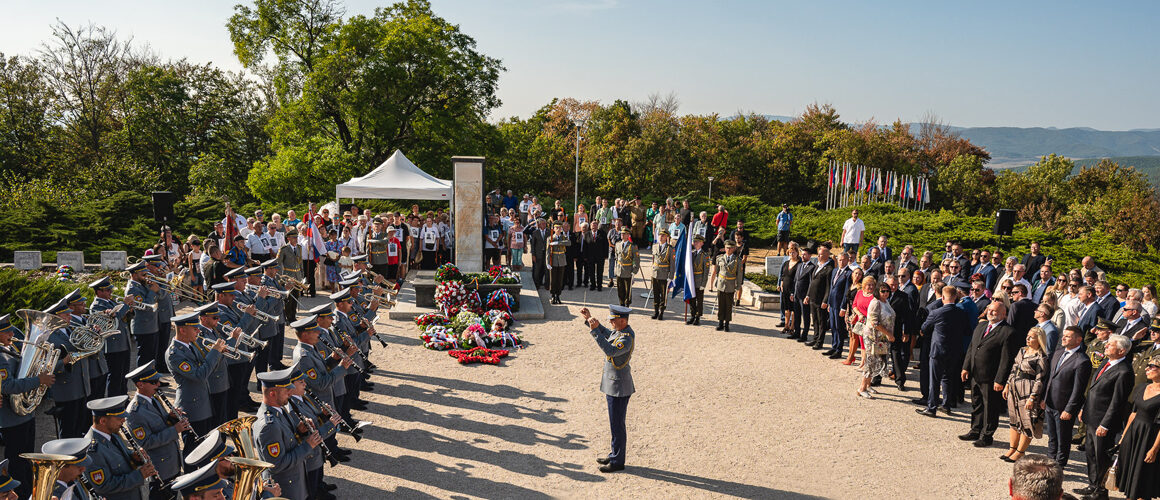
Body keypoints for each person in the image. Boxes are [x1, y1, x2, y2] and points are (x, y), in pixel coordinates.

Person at [1074, 334, 1134, 500]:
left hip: (1103, 422)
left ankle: (1101, 492)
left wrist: (1106, 424)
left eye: (1110, 344)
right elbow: (1093, 390)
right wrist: (1084, 409)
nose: (1106, 346)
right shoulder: (1105, 363)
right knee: (1091, 453)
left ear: (1121, 351)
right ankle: (1093, 485)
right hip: (1091, 416)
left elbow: (1117, 402)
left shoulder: (1124, 371)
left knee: (1102, 457)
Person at [0, 314, 52, 499]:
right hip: (12, 418)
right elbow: (7, 386)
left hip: (24, 414)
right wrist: (38, 380)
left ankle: (29, 492)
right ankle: (19, 494)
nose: (12, 334)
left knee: (27, 458)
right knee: (18, 461)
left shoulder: (8, 349)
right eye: (6, 332)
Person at [578, 305, 635, 473]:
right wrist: (589, 319)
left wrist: (594, 331)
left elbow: (609, 349)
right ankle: (614, 454)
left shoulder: (626, 338)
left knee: (617, 425)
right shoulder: (620, 332)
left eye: (613, 319)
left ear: (623, 321)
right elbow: (607, 333)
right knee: (614, 424)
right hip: (614, 384)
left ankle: (618, 461)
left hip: (619, 387)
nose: (610, 321)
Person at [254, 368, 322, 500]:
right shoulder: (269, 426)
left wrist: (299, 431)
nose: (291, 393)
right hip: (286, 489)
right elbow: (276, 465)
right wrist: (308, 445)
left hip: (294, 481)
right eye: (286, 390)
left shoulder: (278, 410)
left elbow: (286, 440)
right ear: (273, 393)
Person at [124, 361, 187, 498]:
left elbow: (162, 423)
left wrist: (171, 418)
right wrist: (175, 429)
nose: (158, 385)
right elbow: (147, 442)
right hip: (160, 467)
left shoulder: (154, 398)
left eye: (157, 380)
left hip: (171, 461)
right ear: (140, 384)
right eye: (153, 382)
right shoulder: (134, 412)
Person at [960, 301, 1019, 448]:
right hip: (975, 374)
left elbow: (1006, 360)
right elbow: (972, 347)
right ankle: (975, 429)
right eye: (989, 310)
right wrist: (966, 367)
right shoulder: (981, 326)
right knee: (976, 403)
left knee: (990, 407)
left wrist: (1000, 380)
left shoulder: (1008, 332)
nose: (991, 312)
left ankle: (987, 435)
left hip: (991, 377)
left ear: (1004, 314)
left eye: (995, 311)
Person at [85, 395, 157, 500]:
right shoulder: (92, 450)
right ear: (103, 421)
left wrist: (134, 457)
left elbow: (122, 457)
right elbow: (103, 486)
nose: (123, 420)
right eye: (119, 418)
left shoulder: (112, 434)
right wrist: (139, 475)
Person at [917, 286, 969, 416]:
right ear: (955, 297)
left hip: (938, 350)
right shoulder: (961, 313)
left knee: (934, 380)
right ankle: (946, 405)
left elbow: (924, 328)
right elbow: (968, 330)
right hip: (955, 350)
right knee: (947, 378)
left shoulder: (937, 312)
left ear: (943, 297)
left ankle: (932, 407)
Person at [1043, 326, 1091, 469]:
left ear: (1078, 339)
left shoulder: (1082, 361)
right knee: (1052, 437)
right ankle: (1050, 461)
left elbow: (1078, 389)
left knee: (1063, 439)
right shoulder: (1058, 353)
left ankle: (1059, 466)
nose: (1063, 338)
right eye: (1064, 335)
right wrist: (1043, 399)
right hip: (1050, 402)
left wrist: (1069, 409)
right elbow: (1049, 378)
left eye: (1068, 336)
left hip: (1064, 406)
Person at [1001, 327, 1050, 463]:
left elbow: (1040, 380)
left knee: (1027, 421)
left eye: (1031, 337)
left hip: (1028, 391)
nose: (1028, 339)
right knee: (1014, 419)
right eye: (1027, 336)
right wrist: (1007, 385)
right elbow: (1014, 368)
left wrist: (1033, 397)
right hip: (1014, 389)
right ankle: (1012, 448)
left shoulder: (1042, 357)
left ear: (1039, 339)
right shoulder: (1022, 350)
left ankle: (1020, 451)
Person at [1115, 354, 1160, 500]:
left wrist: (1154, 449)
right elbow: (1133, 414)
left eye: (1152, 366)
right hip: (1133, 434)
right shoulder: (1141, 387)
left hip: (1150, 438)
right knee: (1129, 478)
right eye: (1148, 365)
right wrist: (1123, 438)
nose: (1147, 368)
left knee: (1142, 481)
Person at [855, 282, 895, 399]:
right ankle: (862, 388)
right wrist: (889, 334)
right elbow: (874, 322)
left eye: (887, 291)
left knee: (876, 361)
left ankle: (867, 385)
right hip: (873, 337)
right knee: (870, 362)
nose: (885, 293)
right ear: (878, 291)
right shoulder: (875, 302)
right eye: (883, 291)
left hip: (881, 338)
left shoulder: (885, 301)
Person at [824, 251, 852, 359]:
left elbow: (846, 292)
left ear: (847, 260)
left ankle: (839, 350)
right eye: (839, 260)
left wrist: (843, 307)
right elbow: (831, 288)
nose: (841, 262)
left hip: (840, 305)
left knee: (839, 327)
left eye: (844, 260)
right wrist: (829, 303)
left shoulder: (849, 273)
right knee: (833, 326)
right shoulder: (835, 270)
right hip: (832, 303)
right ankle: (834, 346)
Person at [805, 246, 834, 348]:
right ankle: (815, 338)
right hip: (813, 298)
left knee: (822, 321)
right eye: (818, 254)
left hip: (821, 299)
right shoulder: (817, 266)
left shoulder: (829, 269)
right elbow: (812, 282)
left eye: (821, 254)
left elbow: (828, 287)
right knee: (815, 320)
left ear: (826, 255)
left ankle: (820, 341)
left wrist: (825, 300)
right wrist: (808, 295)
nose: (818, 256)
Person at [712, 240, 742, 332]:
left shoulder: (737, 260)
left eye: (730, 248)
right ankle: (720, 323)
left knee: (728, 305)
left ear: (733, 249)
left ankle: (727, 324)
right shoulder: (719, 258)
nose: (728, 250)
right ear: (724, 248)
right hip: (721, 284)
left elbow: (739, 274)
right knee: (720, 304)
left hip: (730, 285)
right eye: (727, 248)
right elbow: (718, 272)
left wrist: (738, 286)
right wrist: (717, 281)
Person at [790, 247, 816, 341]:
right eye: (802, 254)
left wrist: (808, 296)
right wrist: (792, 292)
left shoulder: (812, 267)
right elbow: (795, 280)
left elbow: (811, 283)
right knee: (796, 315)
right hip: (796, 294)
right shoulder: (800, 265)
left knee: (805, 316)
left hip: (804, 296)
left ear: (809, 255)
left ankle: (804, 335)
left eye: (805, 254)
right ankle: (797, 332)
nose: (802, 256)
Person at [650, 228, 674, 320]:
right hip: (655, 274)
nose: (661, 237)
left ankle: (661, 312)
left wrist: (671, 276)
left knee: (663, 295)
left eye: (663, 235)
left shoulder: (670, 249)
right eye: (660, 235)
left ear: (667, 237)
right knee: (655, 293)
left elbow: (672, 264)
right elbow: (654, 260)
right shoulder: (654, 246)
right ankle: (655, 311)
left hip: (664, 275)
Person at [613, 227, 639, 307]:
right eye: (621, 233)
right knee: (620, 289)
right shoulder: (617, 244)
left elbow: (636, 259)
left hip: (628, 270)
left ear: (628, 235)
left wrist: (634, 271)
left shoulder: (633, 246)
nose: (622, 235)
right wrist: (616, 269)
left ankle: (627, 304)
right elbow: (616, 257)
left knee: (628, 290)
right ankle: (621, 303)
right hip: (619, 270)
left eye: (624, 234)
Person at [778, 243, 801, 334]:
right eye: (790, 252)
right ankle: (786, 326)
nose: (792, 254)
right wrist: (781, 284)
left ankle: (792, 327)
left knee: (793, 309)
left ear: (797, 253)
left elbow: (797, 278)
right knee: (786, 308)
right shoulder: (786, 263)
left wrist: (793, 292)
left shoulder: (799, 264)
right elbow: (783, 275)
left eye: (794, 252)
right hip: (785, 289)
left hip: (793, 289)